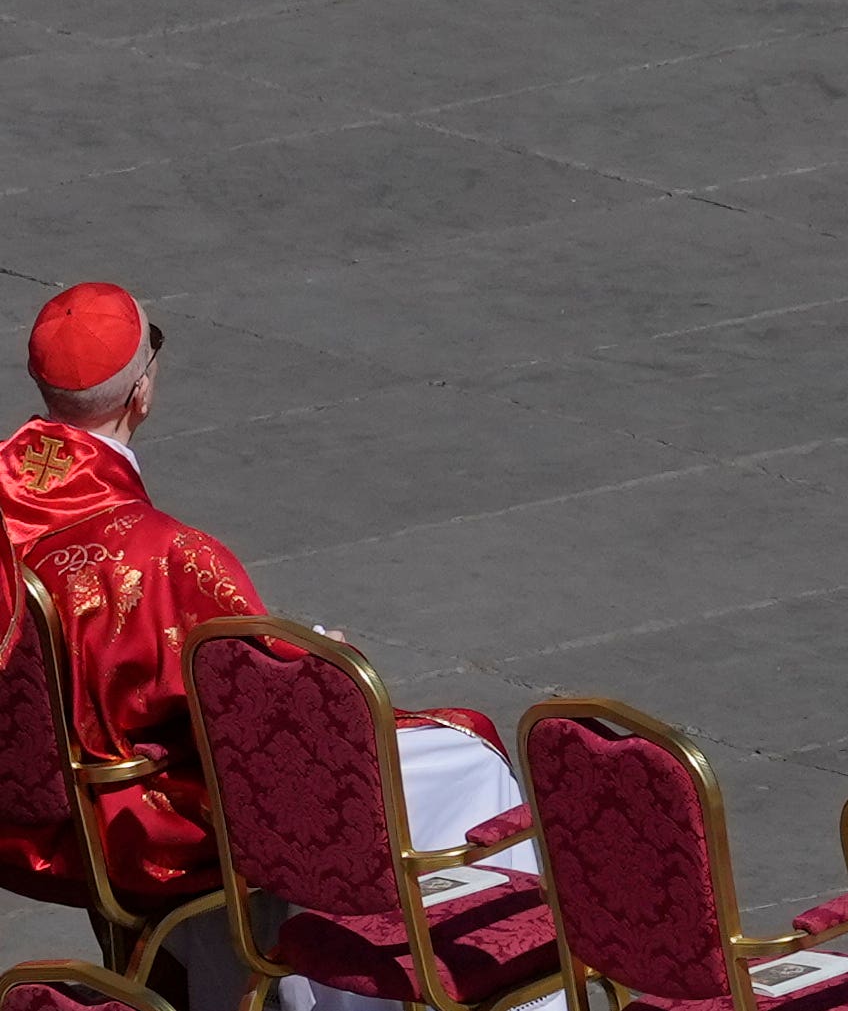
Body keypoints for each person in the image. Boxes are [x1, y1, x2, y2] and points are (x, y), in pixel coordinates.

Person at [3, 287, 535, 948]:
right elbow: (256, 698)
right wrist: (322, 656)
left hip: (32, 812)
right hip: (142, 812)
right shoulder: (166, 553)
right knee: (469, 754)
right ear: (141, 392)